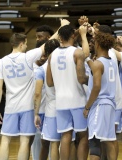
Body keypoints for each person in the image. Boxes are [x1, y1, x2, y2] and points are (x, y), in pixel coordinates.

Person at [0, 33, 47, 160]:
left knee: (5, 140)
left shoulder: (1, 62)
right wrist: (61, 28)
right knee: (24, 141)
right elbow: (46, 46)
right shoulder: (27, 57)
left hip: (10, 107)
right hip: (27, 108)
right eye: (26, 43)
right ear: (21, 44)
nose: (27, 46)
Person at [46, 24, 89, 160]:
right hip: (77, 100)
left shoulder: (51, 55)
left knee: (66, 136)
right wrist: (93, 79)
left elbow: (50, 82)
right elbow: (82, 78)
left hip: (61, 102)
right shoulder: (77, 52)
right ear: (72, 36)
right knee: (83, 136)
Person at [83, 32, 118, 160]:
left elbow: (96, 87)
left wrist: (87, 106)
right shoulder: (113, 62)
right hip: (110, 105)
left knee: (94, 141)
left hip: (100, 104)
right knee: (109, 141)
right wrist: (88, 60)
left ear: (97, 44)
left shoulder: (98, 63)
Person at [34, 39, 61, 160]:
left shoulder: (41, 69)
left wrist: (35, 113)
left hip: (50, 109)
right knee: (68, 142)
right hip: (68, 106)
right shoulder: (67, 64)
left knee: (49, 143)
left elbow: (37, 93)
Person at [32, 24, 54, 160]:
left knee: (52, 144)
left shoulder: (55, 60)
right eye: (36, 37)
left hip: (51, 108)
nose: (37, 39)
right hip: (37, 109)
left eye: (40, 36)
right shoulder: (32, 61)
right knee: (37, 145)